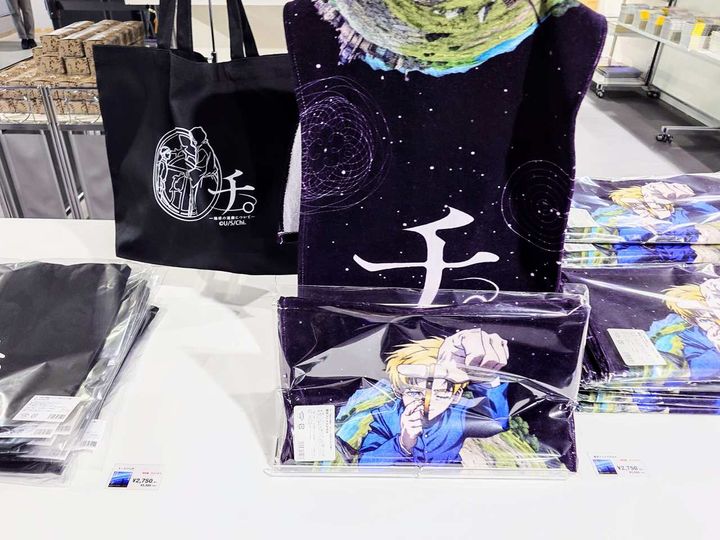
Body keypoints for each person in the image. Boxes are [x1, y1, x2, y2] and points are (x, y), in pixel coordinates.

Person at [335, 328, 511, 465]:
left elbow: (497, 422)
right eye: (414, 392)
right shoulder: (387, 417)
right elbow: (366, 465)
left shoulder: (457, 416)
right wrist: (403, 443)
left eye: (441, 393)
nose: (428, 402)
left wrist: (485, 375)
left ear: (456, 395)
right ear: (399, 390)